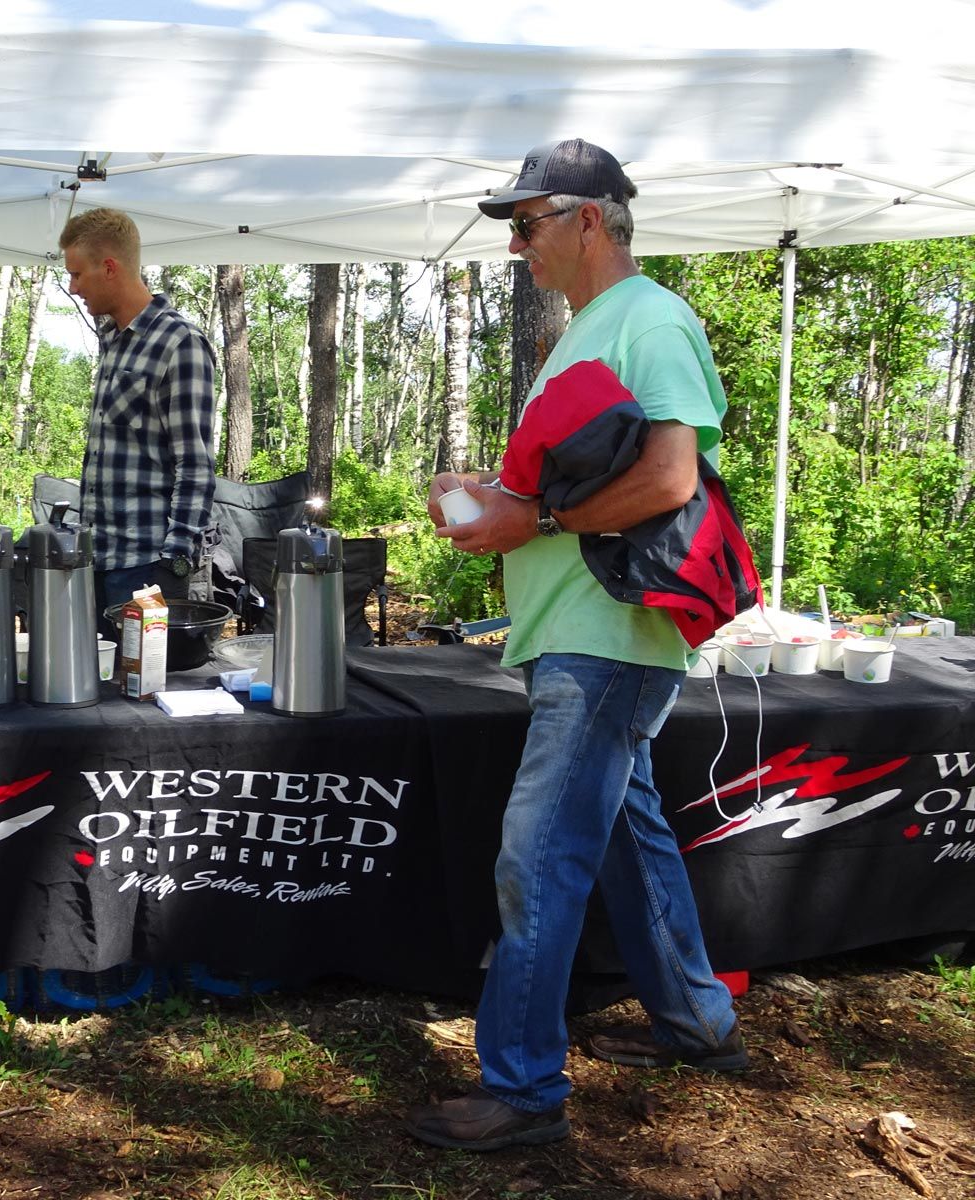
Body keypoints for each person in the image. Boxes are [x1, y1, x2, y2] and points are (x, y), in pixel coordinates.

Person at [405, 139, 746, 1153]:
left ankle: (521, 1090)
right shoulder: (593, 329)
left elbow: (671, 479)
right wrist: (493, 494)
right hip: (585, 634)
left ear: (589, 218)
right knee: (629, 841)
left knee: (539, 860)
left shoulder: (651, 319)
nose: (514, 246)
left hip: (607, 639)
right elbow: (575, 479)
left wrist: (532, 525)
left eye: (526, 224)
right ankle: (696, 1020)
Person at [58, 209, 217, 632]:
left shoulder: (180, 343)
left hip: (148, 568)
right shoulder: (113, 342)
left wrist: (173, 562)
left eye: (77, 275)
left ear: (109, 268)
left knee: (142, 695)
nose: (73, 288)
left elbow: (196, 464)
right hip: (100, 560)